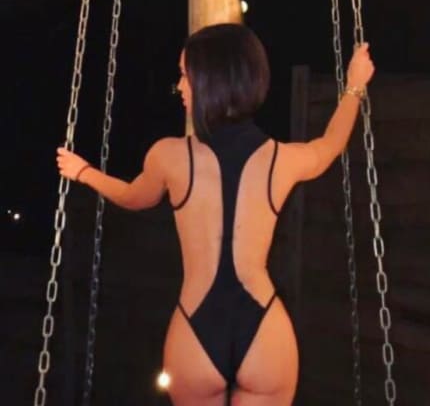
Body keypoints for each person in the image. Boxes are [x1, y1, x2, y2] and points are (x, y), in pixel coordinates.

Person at [57, 23, 374, 406]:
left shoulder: (170, 155)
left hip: (196, 329)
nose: (181, 86)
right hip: (264, 331)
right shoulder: (282, 159)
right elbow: (330, 145)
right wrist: (355, 85)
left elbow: (133, 197)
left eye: (185, 75)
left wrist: (84, 172)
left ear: (211, 82)